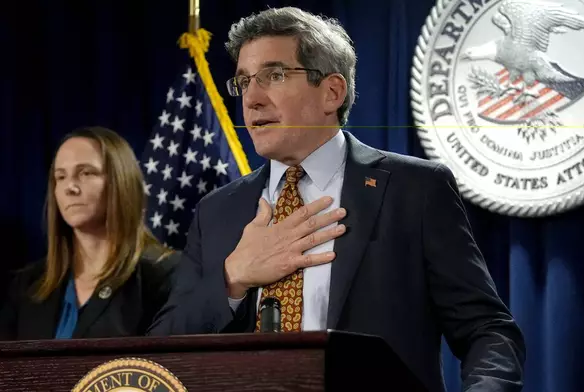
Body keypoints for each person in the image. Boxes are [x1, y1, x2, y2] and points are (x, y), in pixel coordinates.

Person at [148, 6, 526, 391]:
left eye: (274, 75)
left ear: (332, 92)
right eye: (244, 81)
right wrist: (232, 278)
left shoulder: (414, 190)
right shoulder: (217, 210)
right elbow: (160, 353)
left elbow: (488, 331)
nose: (252, 99)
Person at [0, 126, 179, 340]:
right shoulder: (27, 285)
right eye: (61, 176)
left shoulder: (164, 275)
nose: (70, 187)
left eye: (85, 173)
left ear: (120, 181)